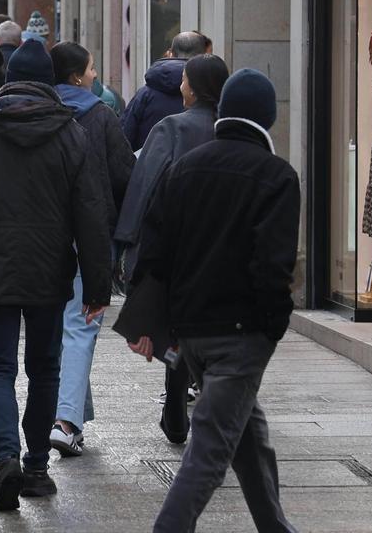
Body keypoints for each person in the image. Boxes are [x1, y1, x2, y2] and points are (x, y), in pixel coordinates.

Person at [0, 79, 111, 511]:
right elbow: (90, 210)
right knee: (45, 370)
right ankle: (35, 467)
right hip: (49, 271)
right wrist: (98, 282)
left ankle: (6, 456)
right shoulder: (70, 133)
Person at [132, 69, 299, 533]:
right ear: (268, 117)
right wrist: (273, 325)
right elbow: (273, 264)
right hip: (241, 333)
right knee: (208, 450)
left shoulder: (186, 167)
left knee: (247, 434)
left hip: (193, 333)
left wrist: (164, 322)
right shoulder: (277, 175)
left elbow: (157, 252)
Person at [115, 53, 229, 443]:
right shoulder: (234, 130)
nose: (180, 86)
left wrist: (126, 242)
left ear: (192, 88)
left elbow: (143, 187)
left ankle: (175, 405)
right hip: (223, 245)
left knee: (179, 327)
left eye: (184, 80)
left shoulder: (171, 129)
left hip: (180, 245)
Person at [47, 42, 134, 458]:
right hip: (89, 239)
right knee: (80, 326)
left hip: (40, 240)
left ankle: (73, 415)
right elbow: (124, 177)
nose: (96, 76)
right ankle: (65, 422)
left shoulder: (36, 113)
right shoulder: (101, 117)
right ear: (77, 76)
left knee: (62, 328)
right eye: (92, 69)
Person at [121, 31, 208, 150]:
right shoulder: (210, 92)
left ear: (171, 53)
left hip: (151, 165)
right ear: (203, 54)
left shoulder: (145, 94)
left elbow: (124, 138)